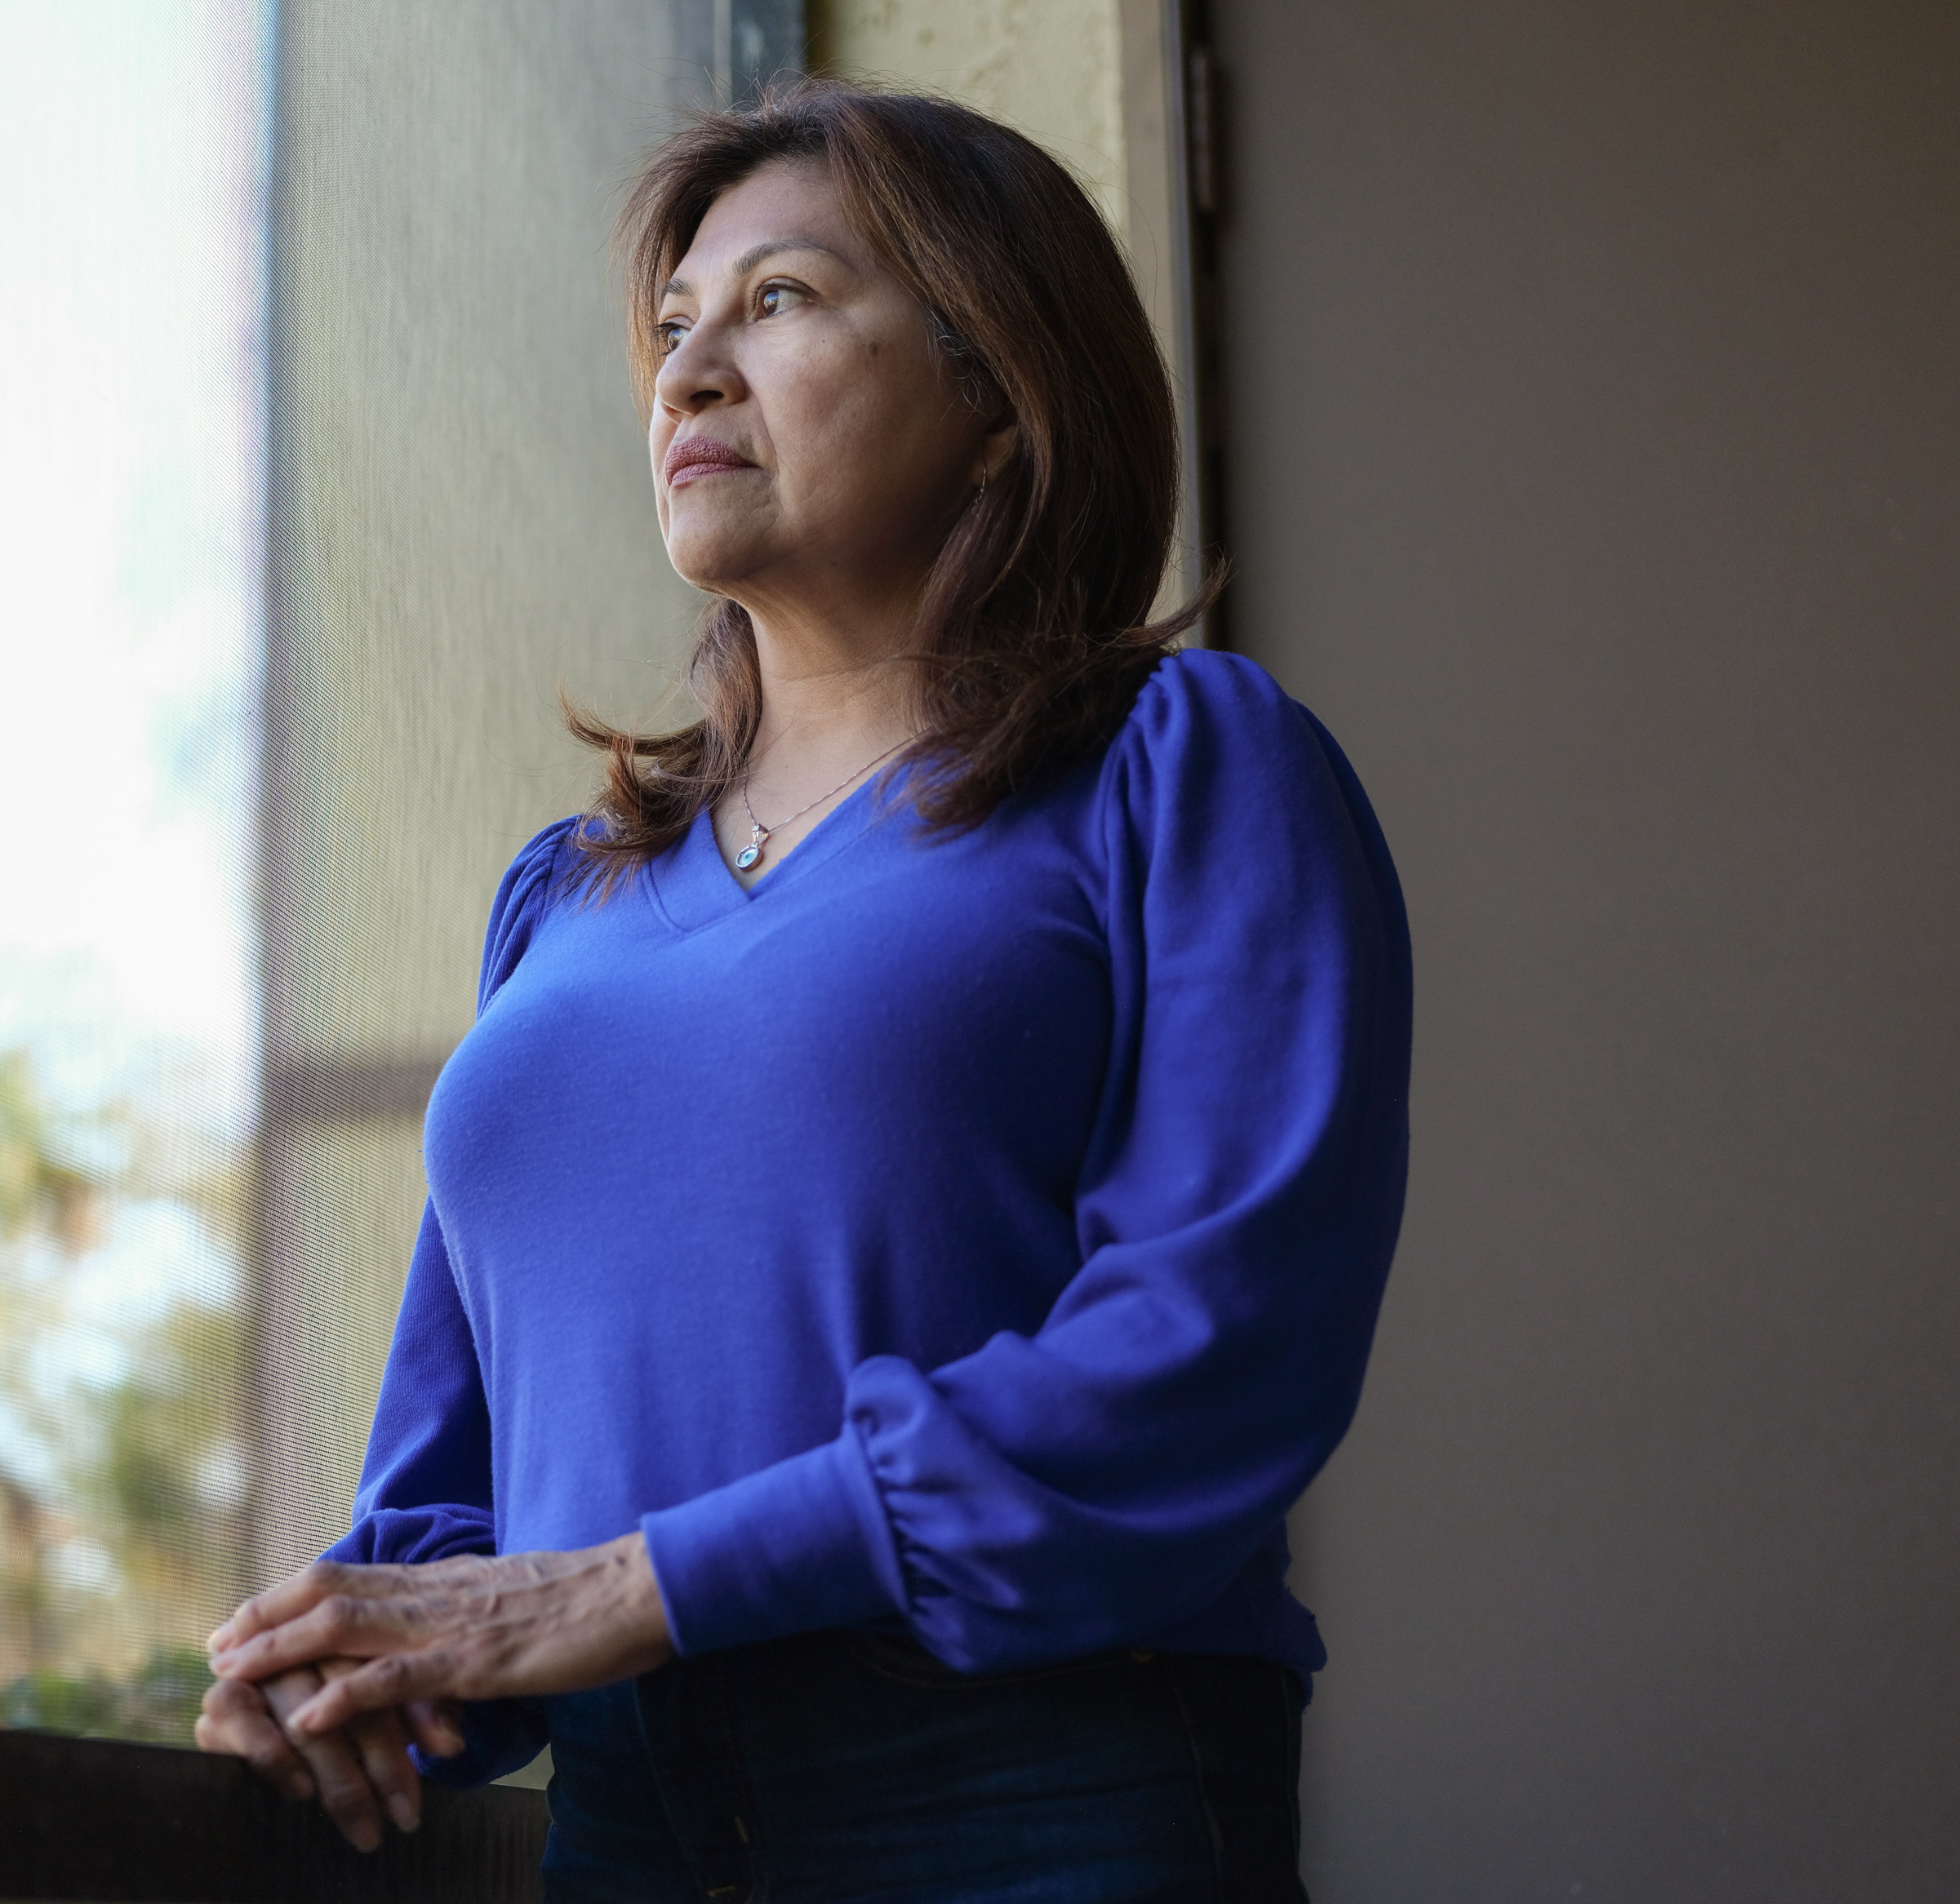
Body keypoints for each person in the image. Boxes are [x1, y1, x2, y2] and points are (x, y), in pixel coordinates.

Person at [196, 78, 1411, 1902]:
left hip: (1028, 1792)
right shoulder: (567, 896)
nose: (685, 375)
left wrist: (629, 1587)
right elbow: (462, 1482)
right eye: (673, 329)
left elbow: (1214, 1351)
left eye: (777, 303)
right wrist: (355, 1662)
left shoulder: (1185, 767)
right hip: (620, 1824)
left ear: (1001, 394)